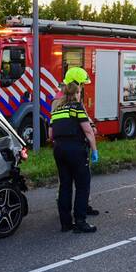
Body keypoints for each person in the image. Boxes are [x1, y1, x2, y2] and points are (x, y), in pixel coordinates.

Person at [48, 78, 98, 233]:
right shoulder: (77, 107)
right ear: (76, 93)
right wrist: (94, 150)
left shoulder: (57, 110)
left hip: (59, 150)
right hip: (75, 150)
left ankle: (65, 223)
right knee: (82, 186)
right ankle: (81, 221)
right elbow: (88, 131)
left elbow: (51, 134)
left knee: (65, 186)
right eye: (79, 92)